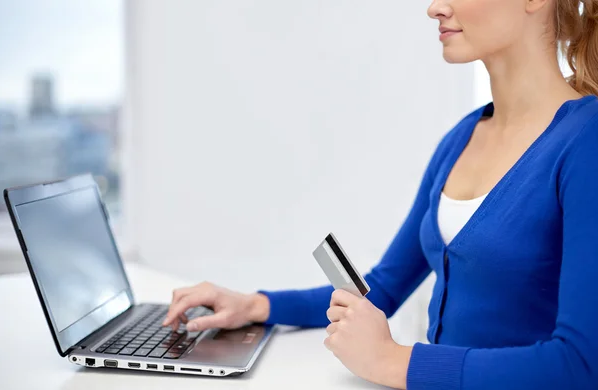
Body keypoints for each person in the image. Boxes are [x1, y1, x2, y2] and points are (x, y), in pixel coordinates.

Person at [162, 0, 598, 388]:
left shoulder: (586, 139)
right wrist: (253, 305)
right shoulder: (461, 139)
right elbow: (382, 289)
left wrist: (394, 362)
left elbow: (580, 367)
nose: (435, 8)